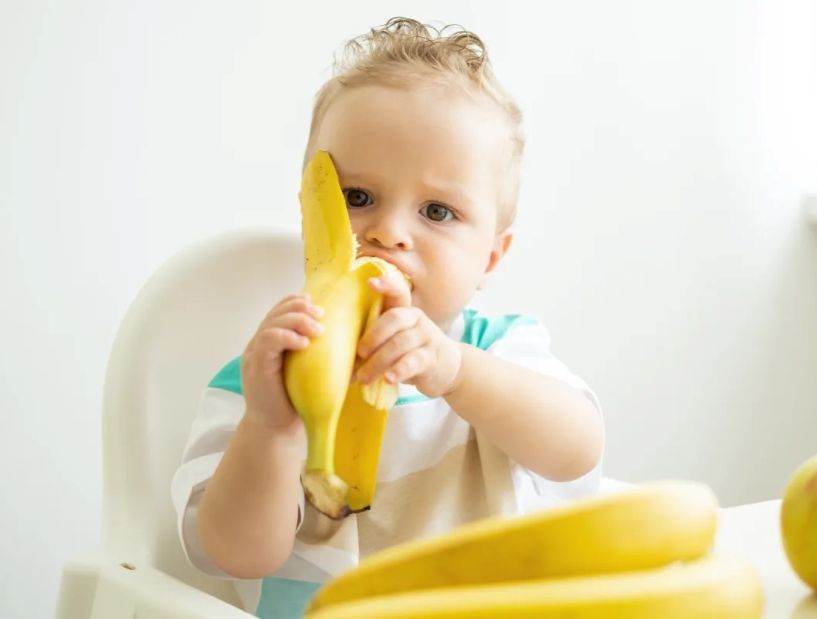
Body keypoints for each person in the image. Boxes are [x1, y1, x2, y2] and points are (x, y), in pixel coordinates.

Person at [171, 17, 605, 617]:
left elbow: (578, 451)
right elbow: (236, 556)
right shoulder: (262, 382)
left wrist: (455, 372)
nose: (387, 233)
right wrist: (271, 431)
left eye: (437, 210)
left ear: (491, 256)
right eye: (357, 198)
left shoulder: (498, 353)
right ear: (310, 213)